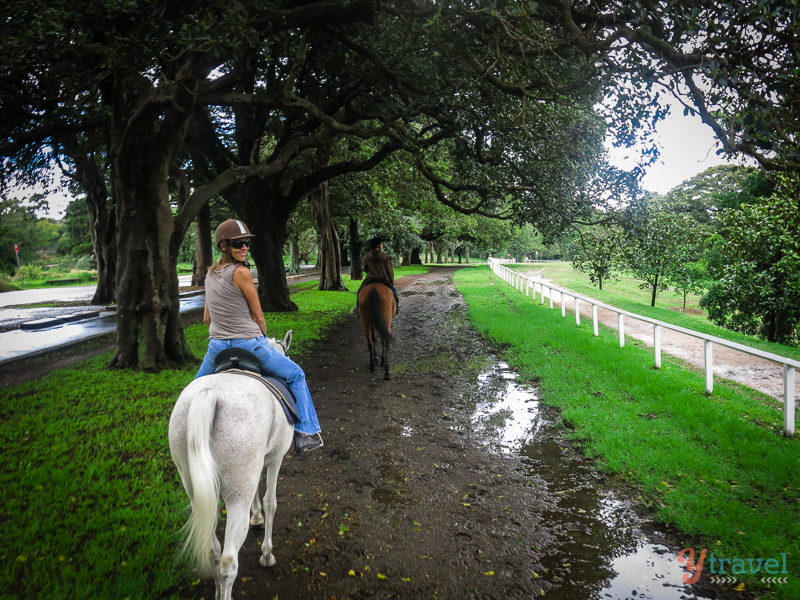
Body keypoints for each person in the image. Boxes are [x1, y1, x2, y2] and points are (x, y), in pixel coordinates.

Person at [195, 219, 323, 454]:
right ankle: (306, 432)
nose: (244, 247)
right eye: (237, 243)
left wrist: (223, 335)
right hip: (250, 344)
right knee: (296, 374)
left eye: (246, 242)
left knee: (193, 392)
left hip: (216, 348)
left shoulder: (210, 275)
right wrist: (262, 338)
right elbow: (258, 315)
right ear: (224, 246)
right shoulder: (241, 272)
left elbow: (207, 318)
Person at [357, 237, 399, 313]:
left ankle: (358, 309)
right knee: (393, 291)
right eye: (381, 244)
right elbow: (389, 271)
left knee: (360, 291)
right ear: (378, 245)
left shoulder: (368, 257)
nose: (382, 245)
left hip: (370, 279)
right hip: (383, 279)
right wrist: (391, 282)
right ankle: (397, 308)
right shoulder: (385, 257)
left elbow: (365, 269)